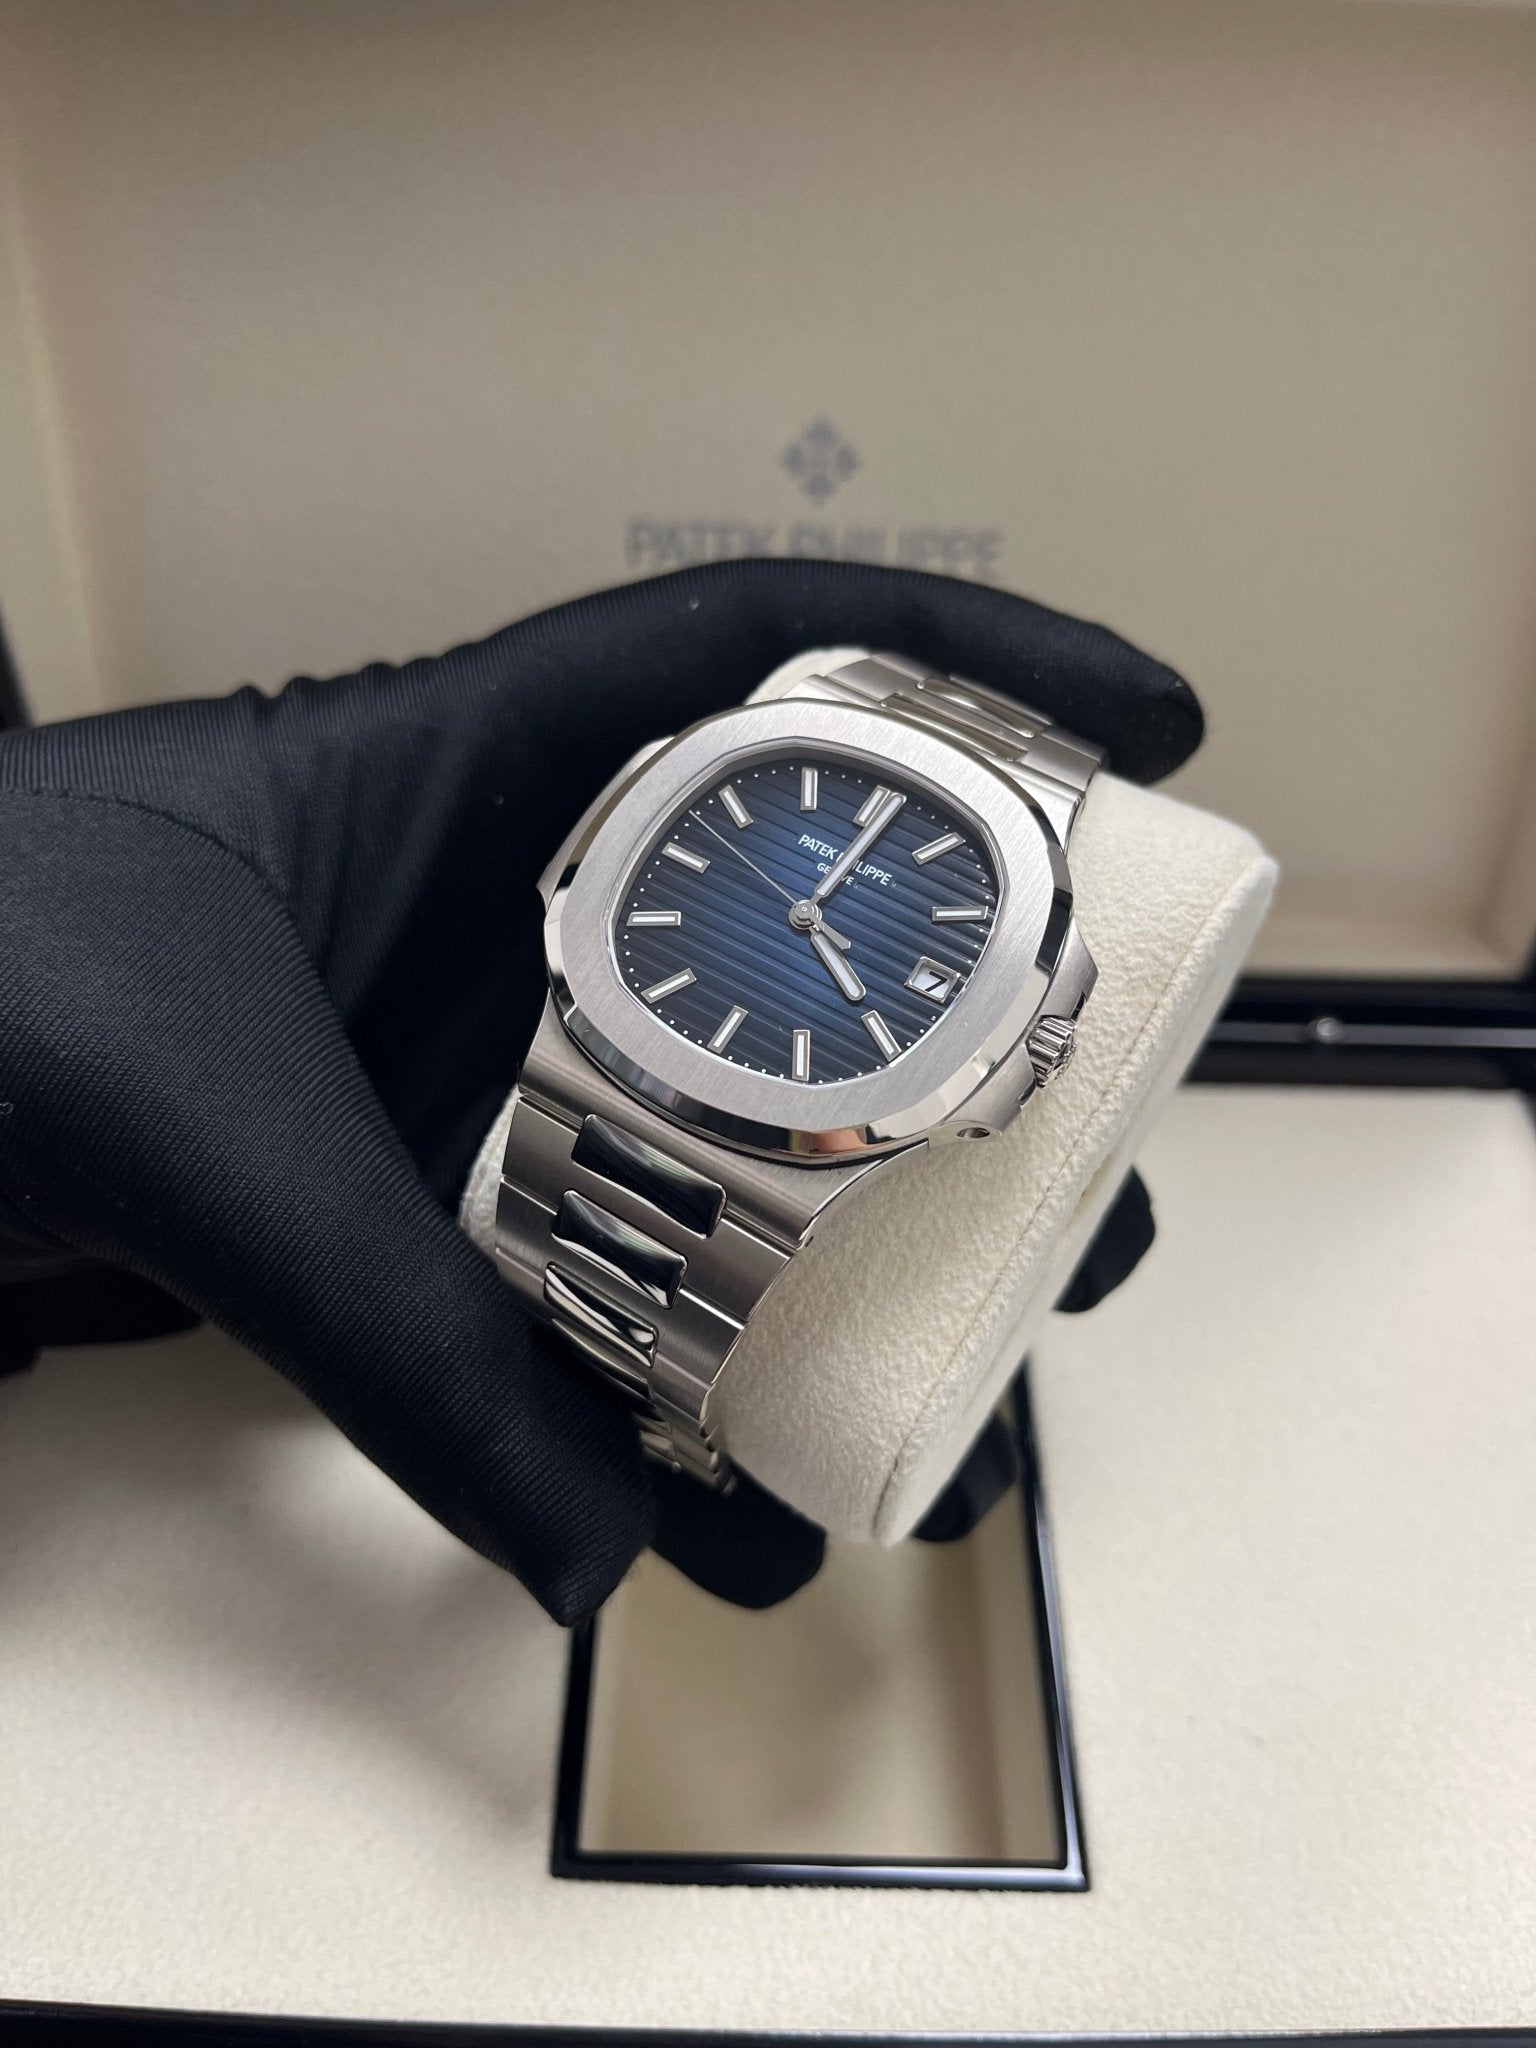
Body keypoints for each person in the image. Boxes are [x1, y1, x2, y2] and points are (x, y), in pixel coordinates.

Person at [0, 561, 1200, 1623]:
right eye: (805, 900)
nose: (806, 912)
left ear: (1031, 1044)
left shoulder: (984, 1017)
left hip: (785, 1118)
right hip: (605, 1031)